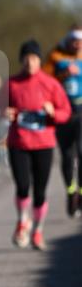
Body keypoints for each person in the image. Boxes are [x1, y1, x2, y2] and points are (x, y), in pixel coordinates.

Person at [7, 40, 71, 249]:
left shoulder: (50, 83)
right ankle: (22, 220)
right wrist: (4, 113)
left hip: (44, 144)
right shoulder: (12, 83)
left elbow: (65, 112)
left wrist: (54, 112)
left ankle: (37, 231)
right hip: (19, 143)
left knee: (40, 192)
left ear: (39, 60)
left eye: (34, 58)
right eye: (26, 58)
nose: (30, 62)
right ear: (21, 60)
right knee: (23, 186)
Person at [43, 27, 82, 216]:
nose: (78, 44)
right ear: (68, 41)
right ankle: (70, 191)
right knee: (67, 154)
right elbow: (45, 81)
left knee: (81, 152)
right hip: (63, 113)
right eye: (75, 40)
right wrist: (66, 73)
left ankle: (81, 194)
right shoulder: (57, 58)